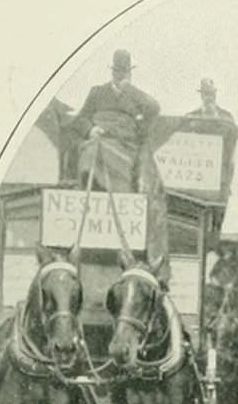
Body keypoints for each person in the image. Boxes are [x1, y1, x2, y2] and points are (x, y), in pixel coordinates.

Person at [70, 49, 169, 281]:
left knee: (124, 163)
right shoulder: (97, 93)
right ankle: (90, 188)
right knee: (91, 150)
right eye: (117, 71)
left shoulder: (135, 96)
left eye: (124, 72)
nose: (120, 75)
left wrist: (130, 95)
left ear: (129, 73)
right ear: (111, 71)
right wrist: (90, 129)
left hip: (124, 146)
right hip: (98, 139)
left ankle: (121, 196)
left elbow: (154, 108)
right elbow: (81, 118)